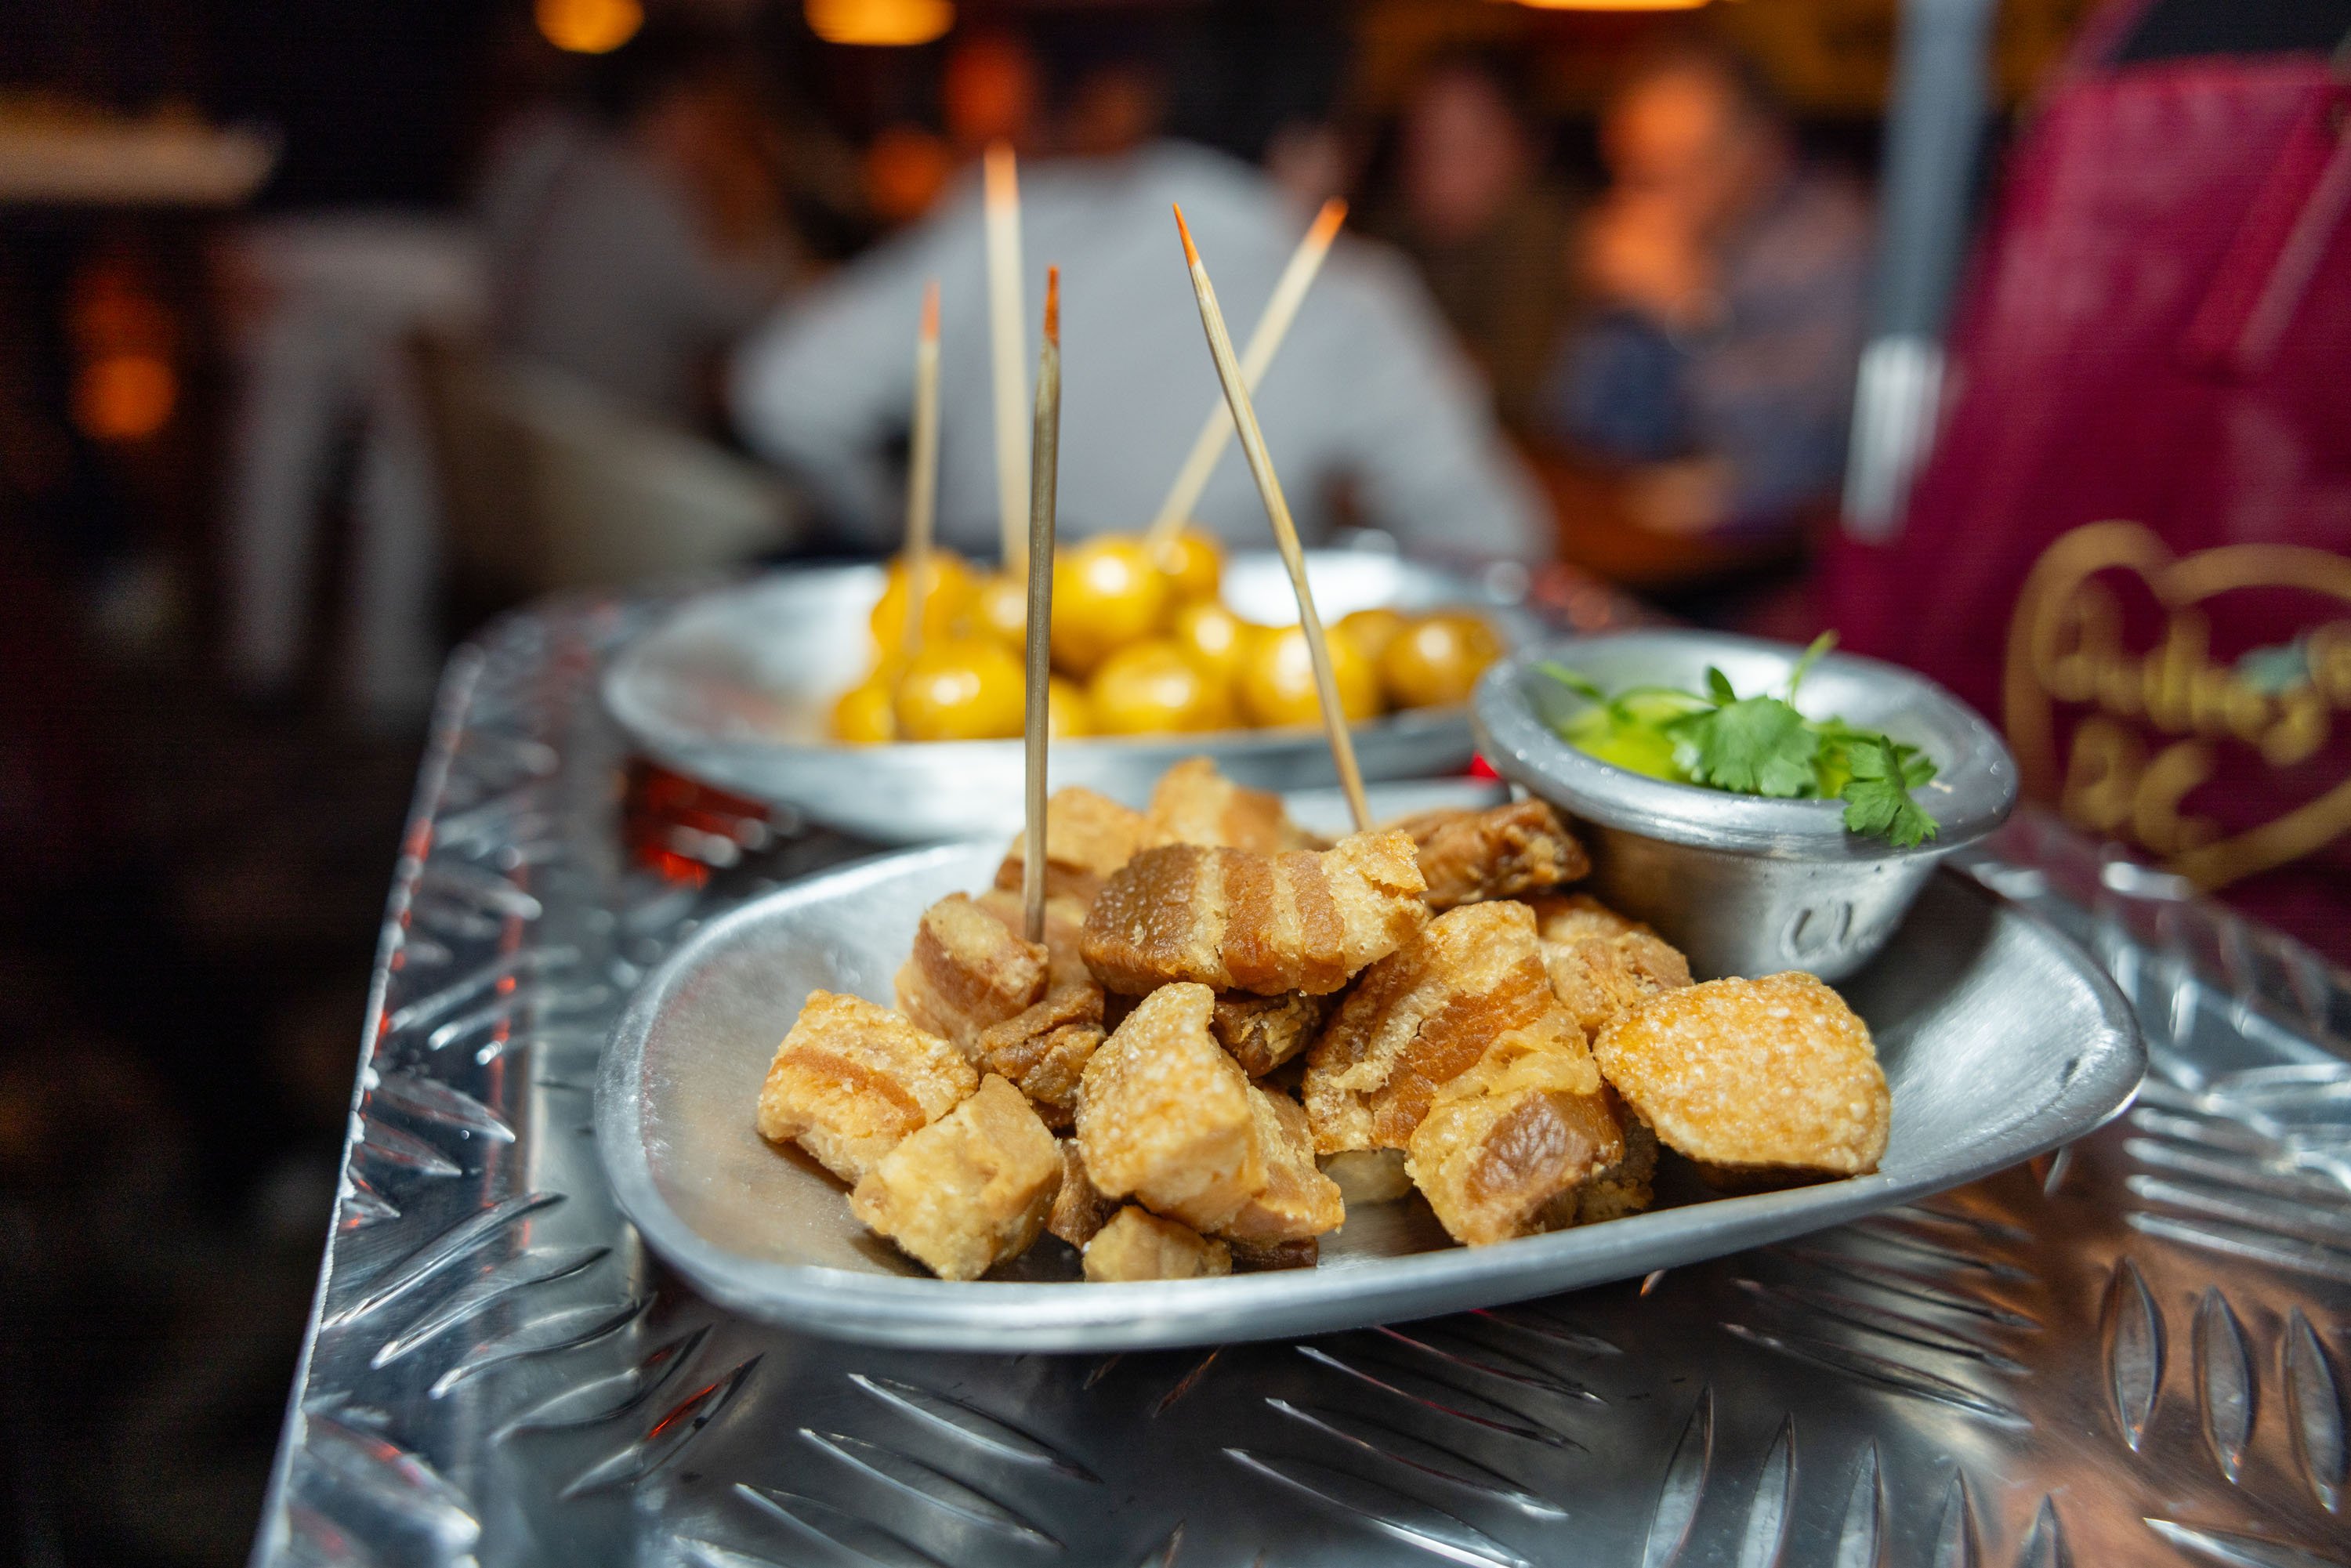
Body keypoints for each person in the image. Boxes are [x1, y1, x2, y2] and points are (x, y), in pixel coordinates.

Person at [731, 29, 1547, 564]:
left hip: (968, 660)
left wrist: (904, 533)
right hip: (1204, 707)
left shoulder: (1009, 216)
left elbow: (781, 393)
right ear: (1313, 143)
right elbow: (1499, 537)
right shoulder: (1350, 294)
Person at [1543, 44, 1870, 545]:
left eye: (1682, 164)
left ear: (1759, 152)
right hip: (1666, 549)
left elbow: (1803, 454)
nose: (1654, 191)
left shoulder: (1835, 244)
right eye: (1637, 168)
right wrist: (1612, 311)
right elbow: (1589, 428)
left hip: (1794, 560)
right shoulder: (1654, 237)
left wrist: (1690, 312)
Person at [481, 22, 800, 432]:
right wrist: (752, 186)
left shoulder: (562, 153)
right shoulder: (646, 195)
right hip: (607, 456)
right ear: (677, 105)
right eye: (725, 112)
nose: (728, 129)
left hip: (528, 419)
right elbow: (759, 310)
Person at [1378, 49, 1578, 433]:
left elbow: (1519, 389)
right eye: (1426, 144)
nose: (1442, 169)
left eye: (1467, 144)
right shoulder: (1389, 243)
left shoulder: (1545, 232)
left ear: (1527, 147)